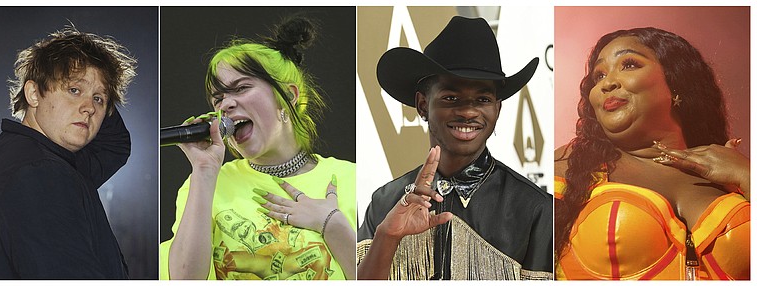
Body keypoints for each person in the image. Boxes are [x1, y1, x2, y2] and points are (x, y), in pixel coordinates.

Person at [356, 16, 553, 280]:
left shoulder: (535, 209)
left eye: (483, 99)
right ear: (423, 105)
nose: (469, 111)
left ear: (497, 108)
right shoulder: (384, 202)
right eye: (451, 98)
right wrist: (387, 237)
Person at [159, 17, 357, 280]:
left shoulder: (352, 179)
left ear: (288, 96)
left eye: (240, 88)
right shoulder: (203, 184)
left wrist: (333, 224)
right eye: (218, 98)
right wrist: (205, 172)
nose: (225, 104)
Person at [554, 27, 750, 280]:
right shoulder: (572, 167)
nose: (607, 83)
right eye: (599, 75)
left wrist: (748, 175)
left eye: (629, 65)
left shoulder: (730, 176)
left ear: (675, 82)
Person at [0, 26, 137, 279]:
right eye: (74, 90)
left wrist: (97, 81)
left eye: (99, 99)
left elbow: (114, 145)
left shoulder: (35, 156)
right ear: (33, 93)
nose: (89, 108)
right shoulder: (39, 172)